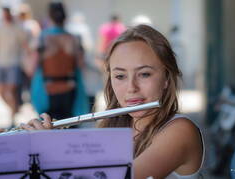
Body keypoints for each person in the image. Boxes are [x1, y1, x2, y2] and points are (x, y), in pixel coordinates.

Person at [20, 25, 204, 179]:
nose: (131, 87)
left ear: (166, 78)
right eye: (120, 76)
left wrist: (51, 149)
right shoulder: (113, 128)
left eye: (144, 74)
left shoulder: (180, 131)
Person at [31, 2, 86, 119]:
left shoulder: (42, 38)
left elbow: (34, 66)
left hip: (48, 89)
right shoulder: (74, 38)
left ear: (49, 16)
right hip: (70, 87)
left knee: (49, 124)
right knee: (69, 124)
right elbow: (81, 65)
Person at [0, 7, 28, 127]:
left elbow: (25, 43)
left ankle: (13, 116)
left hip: (14, 63)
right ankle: (14, 110)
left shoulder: (17, 28)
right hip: (2, 63)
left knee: (11, 91)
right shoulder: (1, 27)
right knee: (2, 92)